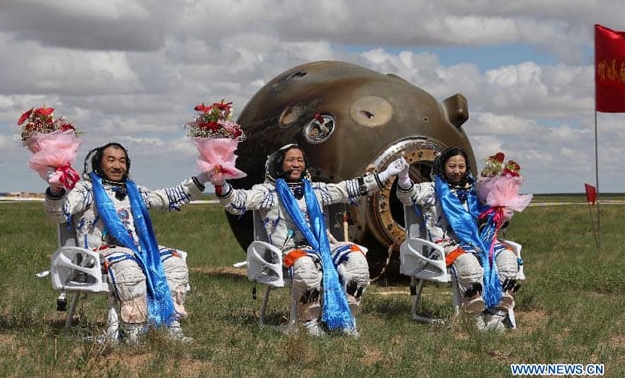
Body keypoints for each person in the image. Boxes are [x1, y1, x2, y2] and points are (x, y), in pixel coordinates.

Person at [212, 143, 407, 337]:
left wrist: (385, 173)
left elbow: (346, 189)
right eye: (290, 160)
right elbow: (238, 201)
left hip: (321, 247)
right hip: (286, 253)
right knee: (305, 265)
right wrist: (221, 184)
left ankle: (345, 315)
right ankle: (308, 321)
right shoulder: (267, 193)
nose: (296, 164)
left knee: (356, 259)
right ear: (278, 164)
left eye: (300, 160)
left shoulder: (315, 190)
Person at [44, 142, 208, 342]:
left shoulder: (133, 190)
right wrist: (56, 190)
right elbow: (60, 214)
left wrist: (205, 176)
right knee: (128, 267)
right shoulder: (86, 190)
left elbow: (167, 198)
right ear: (98, 164)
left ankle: (170, 322)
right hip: (98, 255)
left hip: (137, 251)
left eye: (122, 161)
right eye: (110, 160)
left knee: (174, 261)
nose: (117, 166)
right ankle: (134, 331)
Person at [395, 146, 520, 331]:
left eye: (461, 166)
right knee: (469, 265)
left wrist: (502, 209)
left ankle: (496, 314)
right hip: (446, 244)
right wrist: (404, 177)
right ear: (442, 166)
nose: (457, 171)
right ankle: (474, 317)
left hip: (478, 241)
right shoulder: (432, 189)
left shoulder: (475, 189)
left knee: (508, 259)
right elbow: (407, 196)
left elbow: (491, 210)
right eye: (452, 166)